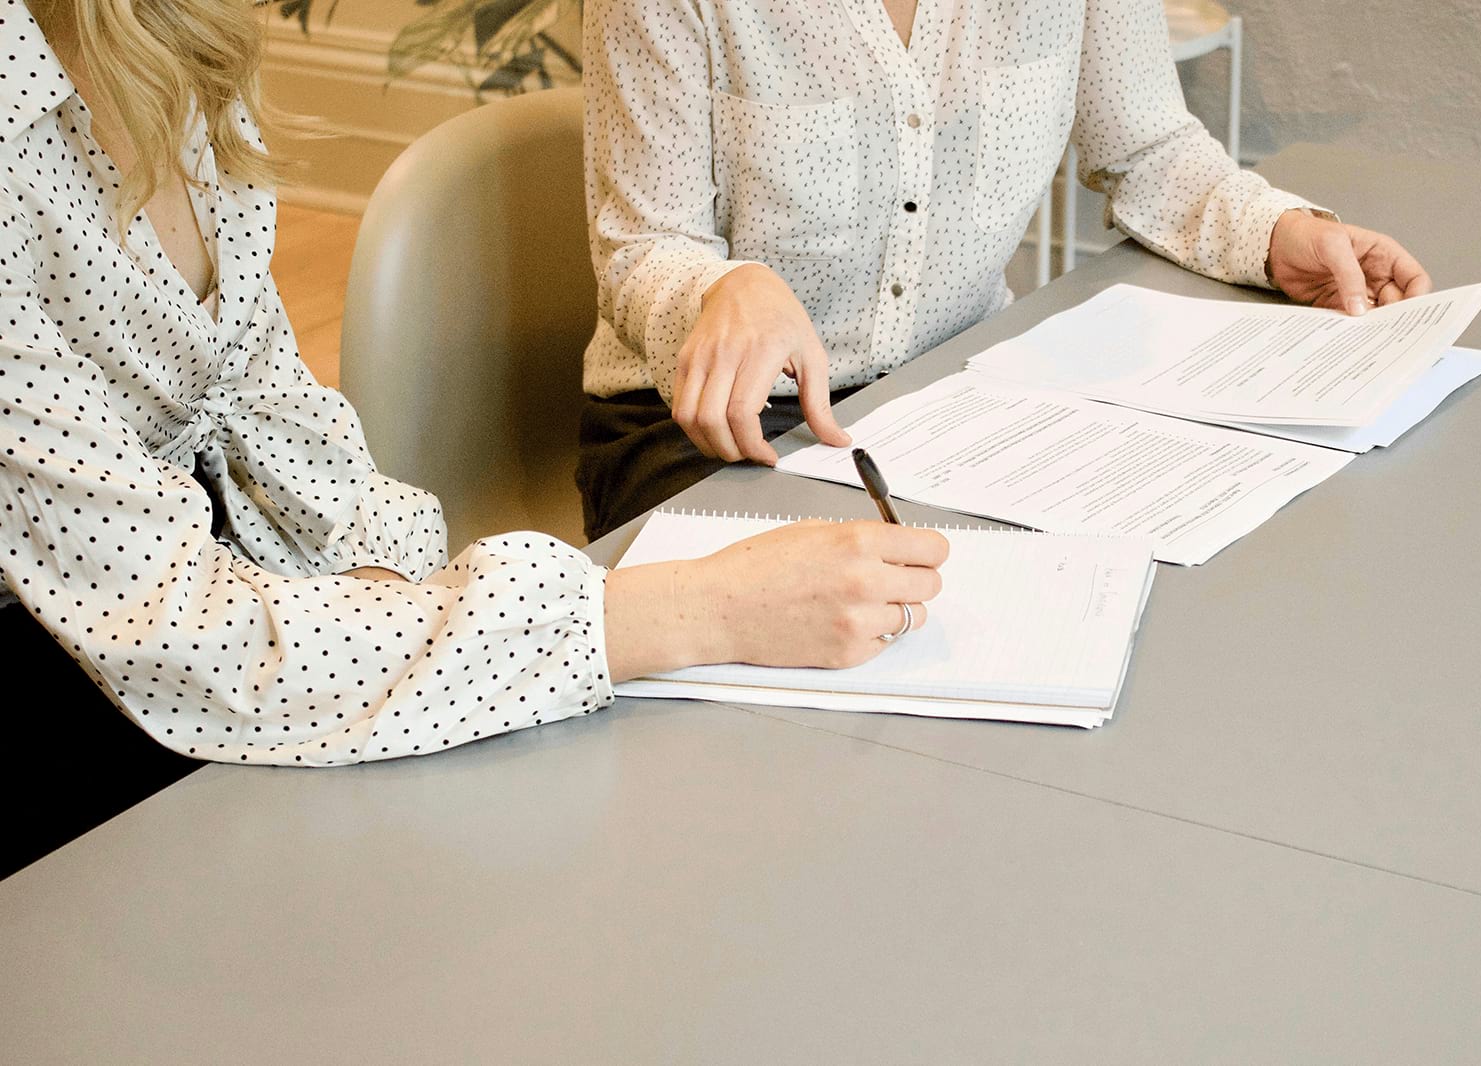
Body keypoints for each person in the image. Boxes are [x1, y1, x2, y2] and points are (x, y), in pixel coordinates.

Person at [0, 0, 947, 877]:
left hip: (215, 625)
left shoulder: (174, 49)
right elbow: (184, 631)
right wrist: (705, 611)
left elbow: (276, 417)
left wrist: (385, 602)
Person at [577, 0, 1435, 540]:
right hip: (704, 428)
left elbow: (1148, 148)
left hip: (953, 403)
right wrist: (722, 290)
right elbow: (641, 245)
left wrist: (1277, 230)